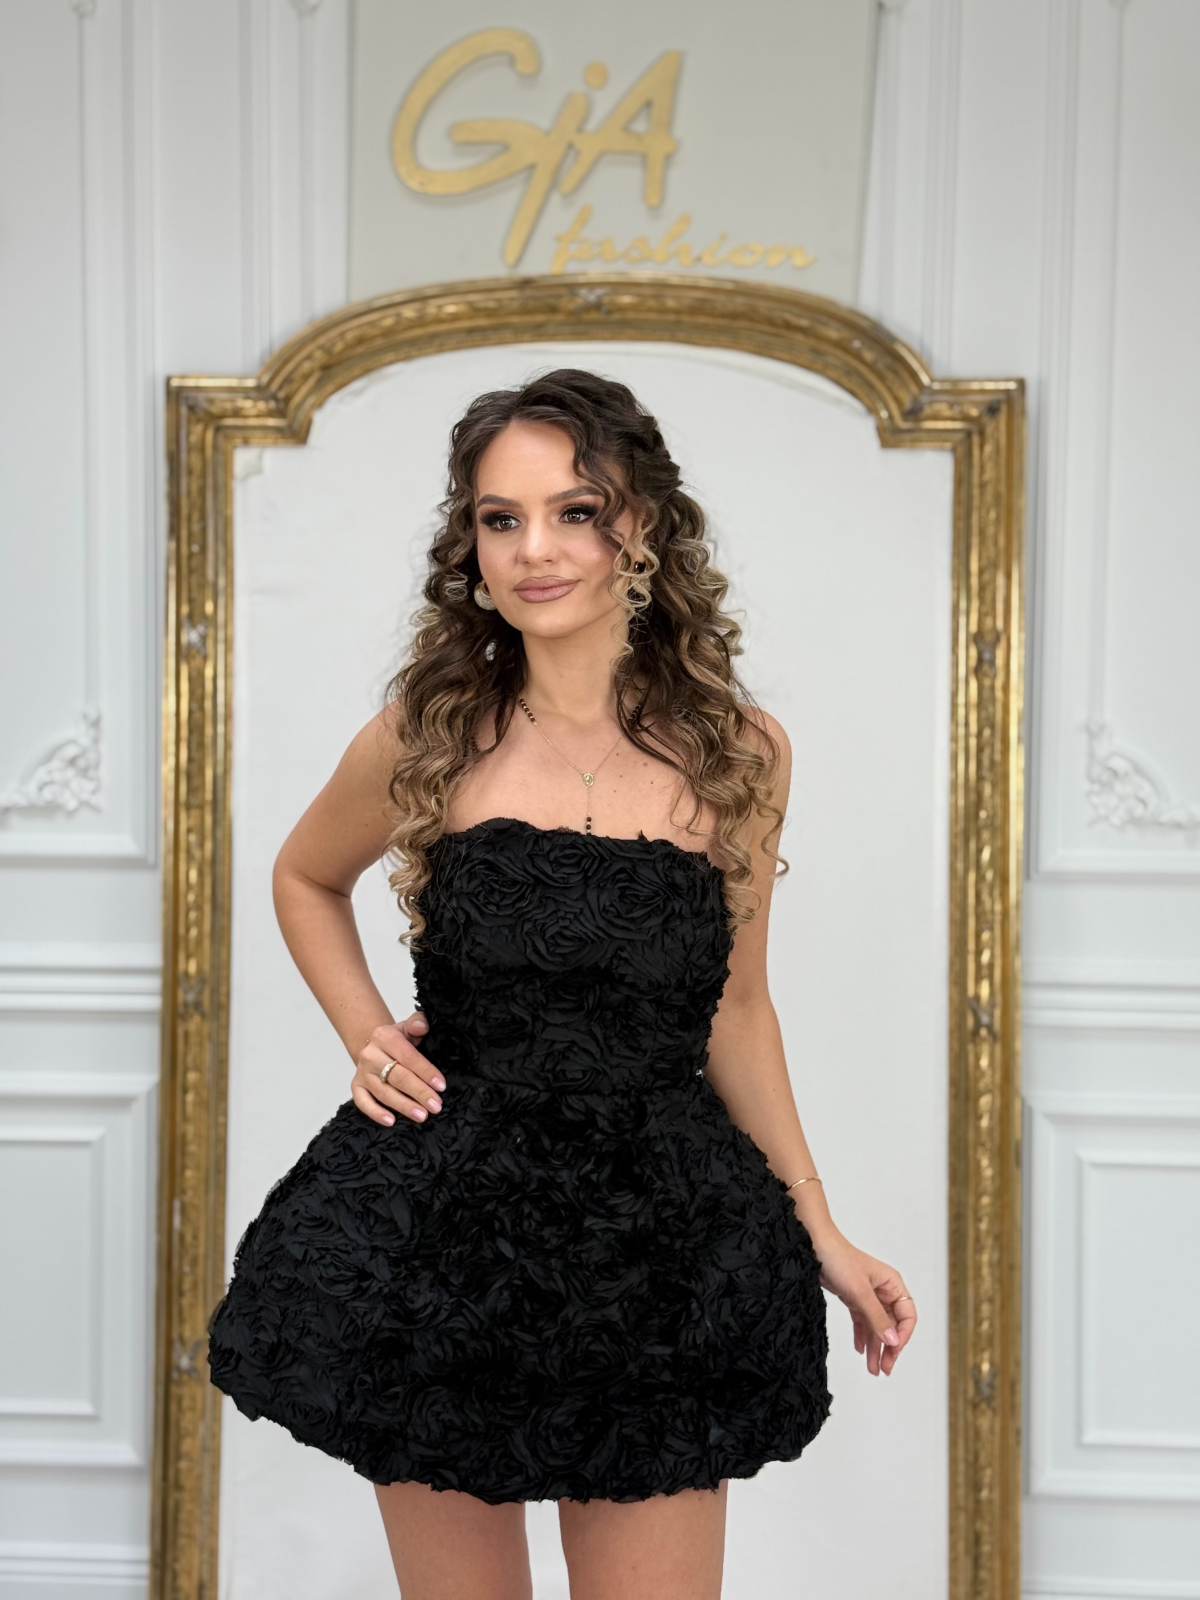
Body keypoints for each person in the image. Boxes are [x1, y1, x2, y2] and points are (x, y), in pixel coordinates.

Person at [208, 369, 917, 1599]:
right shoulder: (428, 733)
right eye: (501, 518)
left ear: (642, 528)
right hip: (442, 1241)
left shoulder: (740, 752)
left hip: (661, 1250)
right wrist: (368, 1032)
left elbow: (738, 1006)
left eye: (574, 511)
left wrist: (821, 1226)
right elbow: (303, 876)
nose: (534, 548)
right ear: (471, 546)